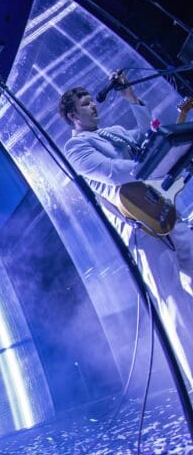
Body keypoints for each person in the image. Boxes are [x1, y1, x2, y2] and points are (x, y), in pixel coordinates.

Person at [60, 73, 193, 381]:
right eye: (85, 104)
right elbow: (114, 172)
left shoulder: (115, 132)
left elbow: (148, 134)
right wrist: (154, 164)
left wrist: (131, 98)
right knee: (171, 298)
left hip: (164, 211)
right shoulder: (77, 148)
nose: (93, 106)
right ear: (72, 116)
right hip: (139, 229)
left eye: (92, 101)